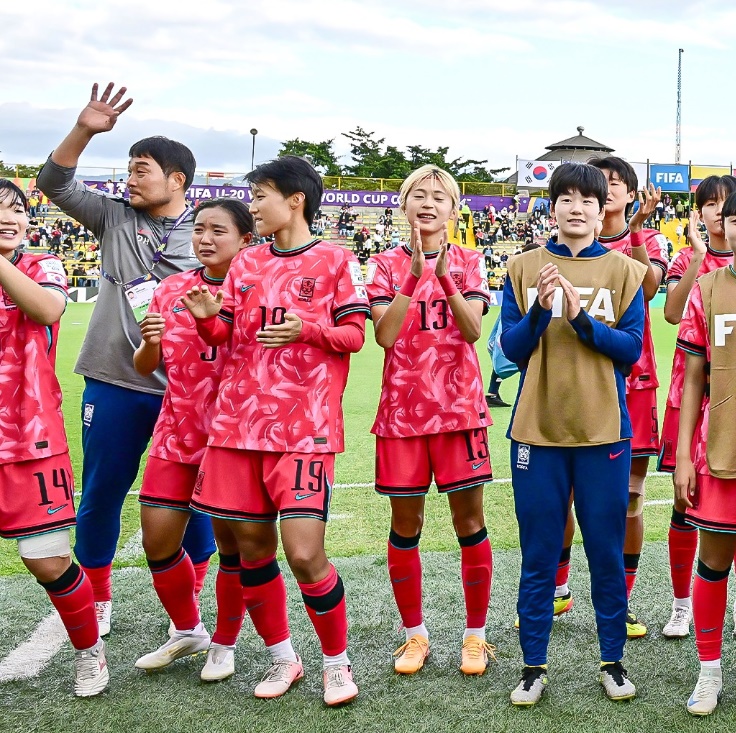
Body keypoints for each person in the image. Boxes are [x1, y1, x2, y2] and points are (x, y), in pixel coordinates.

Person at [182, 156, 370, 706]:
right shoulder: (246, 263)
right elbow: (225, 334)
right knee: (252, 552)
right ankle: (284, 659)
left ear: (295, 199)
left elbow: (355, 337)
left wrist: (306, 329)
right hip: (237, 426)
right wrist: (204, 316)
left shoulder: (335, 259)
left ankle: (337, 664)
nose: (254, 205)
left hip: (304, 429)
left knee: (305, 552)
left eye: (261, 195)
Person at [36, 82, 215, 638]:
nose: (129, 179)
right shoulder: (113, 219)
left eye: (141, 169)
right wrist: (85, 128)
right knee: (102, 493)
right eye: (129, 169)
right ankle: (97, 599)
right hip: (115, 380)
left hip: (187, 390)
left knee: (199, 502)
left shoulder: (214, 229)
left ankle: (190, 607)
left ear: (176, 179)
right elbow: (52, 183)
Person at [501, 163, 646, 706]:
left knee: (605, 554)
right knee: (539, 554)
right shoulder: (522, 266)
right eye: (567, 198)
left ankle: (613, 661)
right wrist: (540, 311)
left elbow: (631, 352)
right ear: (553, 205)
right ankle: (533, 667)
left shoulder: (624, 271)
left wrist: (583, 319)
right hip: (536, 433)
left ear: (604, 206)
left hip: (604, 432)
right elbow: (511, 352)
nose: (578, 207)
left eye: (590, 198)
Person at [366, 165, 494, 677]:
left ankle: (475, 636)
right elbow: (385, 336)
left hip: (460, 411)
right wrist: (413, 278)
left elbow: (472, 331)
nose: (428, 203)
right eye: (418, 194)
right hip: (401, 415)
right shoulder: (381, 264)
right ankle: (414, 635)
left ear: (454, 209)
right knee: (406, 525)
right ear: (403, 204)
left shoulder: (471, 261)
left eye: (439, 196)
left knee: (470, 522)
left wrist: (442, 277)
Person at [132, 199, 254, 682]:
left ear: (246, 239)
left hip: (234, 434)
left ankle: (224, 643)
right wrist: (150, 344)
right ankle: (188, 630)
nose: (204, 239)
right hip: (176, 427)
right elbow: (146, 366)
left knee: (233, 548)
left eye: (217, 231)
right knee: (157, 538)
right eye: (199, 229)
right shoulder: (171, 288)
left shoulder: (254, 289)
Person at [0, 179, 108, 697]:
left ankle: (90, 653)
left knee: (48, 562)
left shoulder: (43, 267)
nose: (8, 216)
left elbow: (45, 311)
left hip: (29, 437)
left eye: (16, 208)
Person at [565, 156, 664, 639]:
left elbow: (649, 289)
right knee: (561, 495)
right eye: (595, 183)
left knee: (629, 497)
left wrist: (640, 230)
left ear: (627, 195)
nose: (603, 190)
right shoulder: (569, 245)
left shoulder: (644, 242)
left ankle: (621, 600)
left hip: (634, 380)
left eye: (613, 183)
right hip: (576, 384)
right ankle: (559, 587)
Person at [658, 176, 736, 639]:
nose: (718, 213)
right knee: (687, 508)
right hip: (697, 406)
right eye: (711, 206)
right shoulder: (696, 268)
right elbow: (670, 312)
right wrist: (701, 256)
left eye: (724, 204)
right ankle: (681, 603)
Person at [674, 189, 736, 716]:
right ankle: (709, 671)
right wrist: (684, 455)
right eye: (734, 219)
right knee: (713, 562)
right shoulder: (709, 288)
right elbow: (693, 376)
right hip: (719, 450)